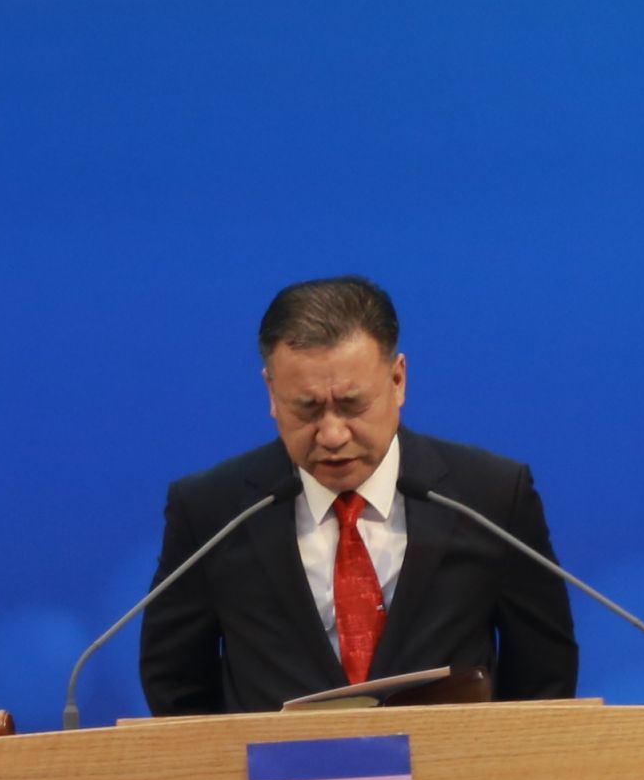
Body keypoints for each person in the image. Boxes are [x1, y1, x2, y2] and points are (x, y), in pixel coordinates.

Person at [138, 276, 582, 716]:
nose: (332, 435)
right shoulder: (213, 511)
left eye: (352, 404)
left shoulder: (490, 497)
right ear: (272, 392)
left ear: (398, 380)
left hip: (453, 762)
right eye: (307, 408)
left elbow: (545, 678)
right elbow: (175, 685)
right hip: (275, 764)